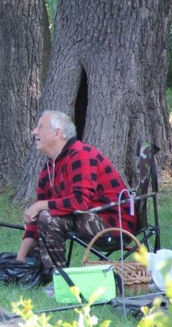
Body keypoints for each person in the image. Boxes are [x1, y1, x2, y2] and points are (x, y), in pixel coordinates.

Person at [16, 110, 136, 280]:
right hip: (86, 219)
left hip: (113, 225)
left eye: (40, 127)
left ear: (57, 133)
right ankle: (50, 278)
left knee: (48, 216)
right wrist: (20, 257)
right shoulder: (49, 168)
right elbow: (35, 218)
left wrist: (40, 206)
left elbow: (80, 202)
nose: (34, 132)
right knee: (44, 216)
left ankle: (58, 278)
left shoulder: (80, 154)